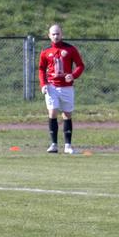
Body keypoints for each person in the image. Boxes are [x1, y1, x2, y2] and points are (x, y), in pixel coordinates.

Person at [38, 24, 85, 154]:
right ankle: (53, 144)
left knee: (67, 114)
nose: (56, 36)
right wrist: (43, 84)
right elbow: (41, 69)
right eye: (53, 34)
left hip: (66, 88)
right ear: (49, 36)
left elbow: (80, 65)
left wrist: (73, 75)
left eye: (58, 33)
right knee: (52, 112)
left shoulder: (70, 49)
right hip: (51, 86)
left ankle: (68, 146)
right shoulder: (45, 51)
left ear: (62, 34)